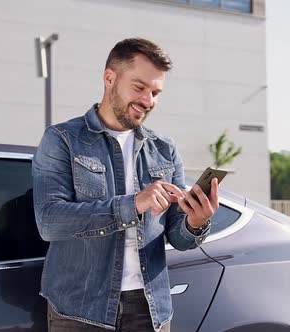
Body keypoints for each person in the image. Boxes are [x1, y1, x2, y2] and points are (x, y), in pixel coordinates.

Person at [33, 37, 219, 332]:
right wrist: (133, 204)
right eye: (140, 87)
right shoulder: (63, 140)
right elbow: (50, 222)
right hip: (79, 311)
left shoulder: (164, 149)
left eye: (156, 92)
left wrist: (195, 223)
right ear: (110, 78)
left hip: (150, 310)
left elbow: (178, 237)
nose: (148, 100)